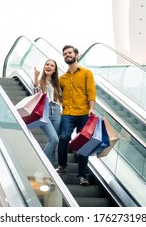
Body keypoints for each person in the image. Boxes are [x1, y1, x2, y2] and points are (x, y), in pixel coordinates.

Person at [56, 45, 96, 186]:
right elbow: (56, 94)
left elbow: (91, 92)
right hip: (67, 113)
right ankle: (62, 165)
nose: (67, 55)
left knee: (83, 144)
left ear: (77, 55)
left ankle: (82, 176)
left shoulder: (86, 73)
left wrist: (91, 108)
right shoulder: (62, 78)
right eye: (65, 54)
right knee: (64, 137)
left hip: (84, 113)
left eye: (70, 53)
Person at [32, 59, 62, 166]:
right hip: (45, 110)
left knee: (53, 144)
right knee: (54, 139)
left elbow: (62, 99)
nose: (49, 66)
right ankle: (41, 166)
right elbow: (35, 91)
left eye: (52, 65)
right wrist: (36, 76)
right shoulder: (40, 82)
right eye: (47, 64)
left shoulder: (56, 85)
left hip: (57, 111)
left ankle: (50, 174)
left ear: (54, 70)